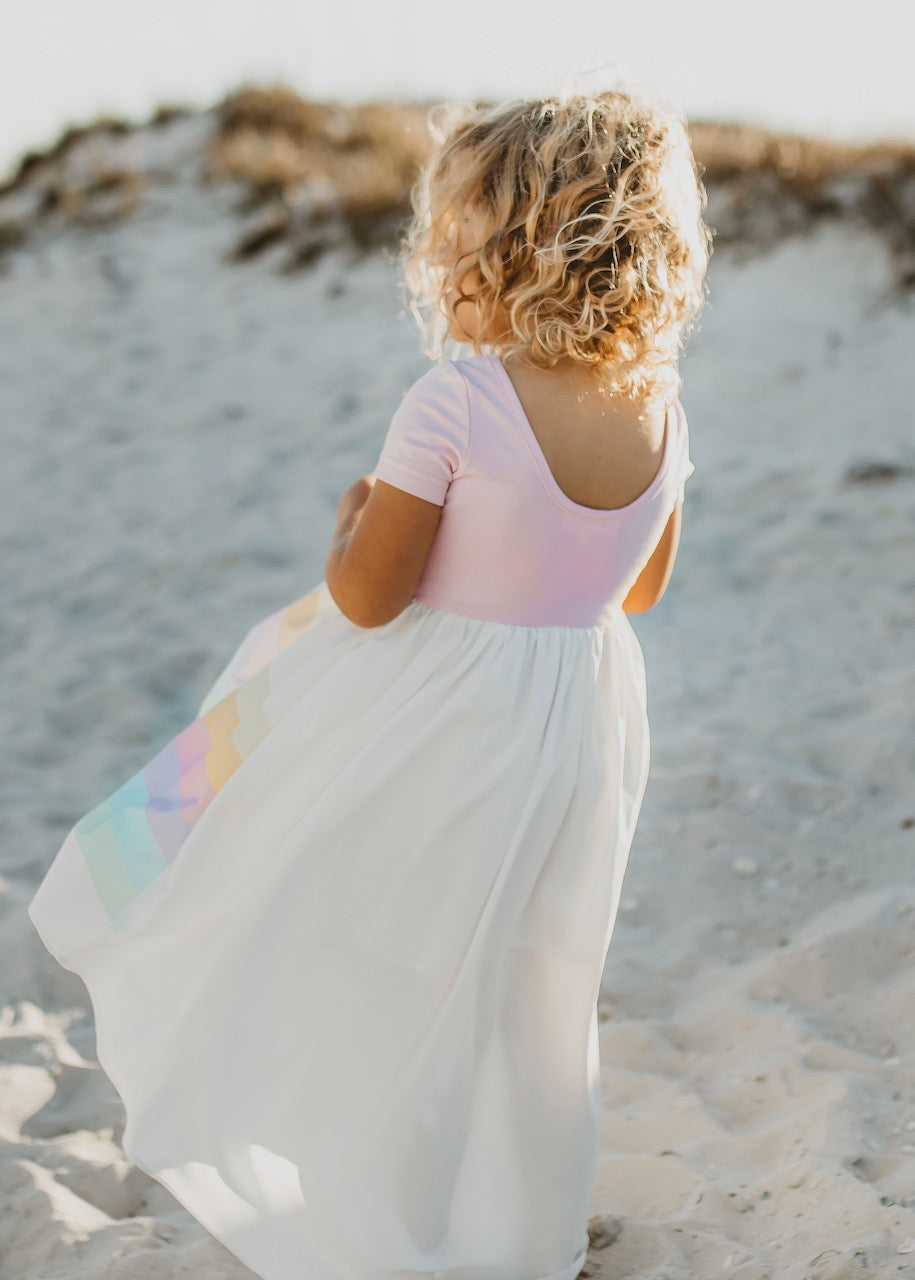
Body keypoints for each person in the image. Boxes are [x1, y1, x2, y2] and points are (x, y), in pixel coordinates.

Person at [28, 87, 711, 1280]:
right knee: (532, 980)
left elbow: (368, 597)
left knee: (336, 912)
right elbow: (639, 591)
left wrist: (352, 520)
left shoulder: (459, 401)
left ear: (499, 245)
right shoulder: (661, 407)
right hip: (575, 728)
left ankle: (365, 1195)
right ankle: (520, 1230)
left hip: (438, 719)